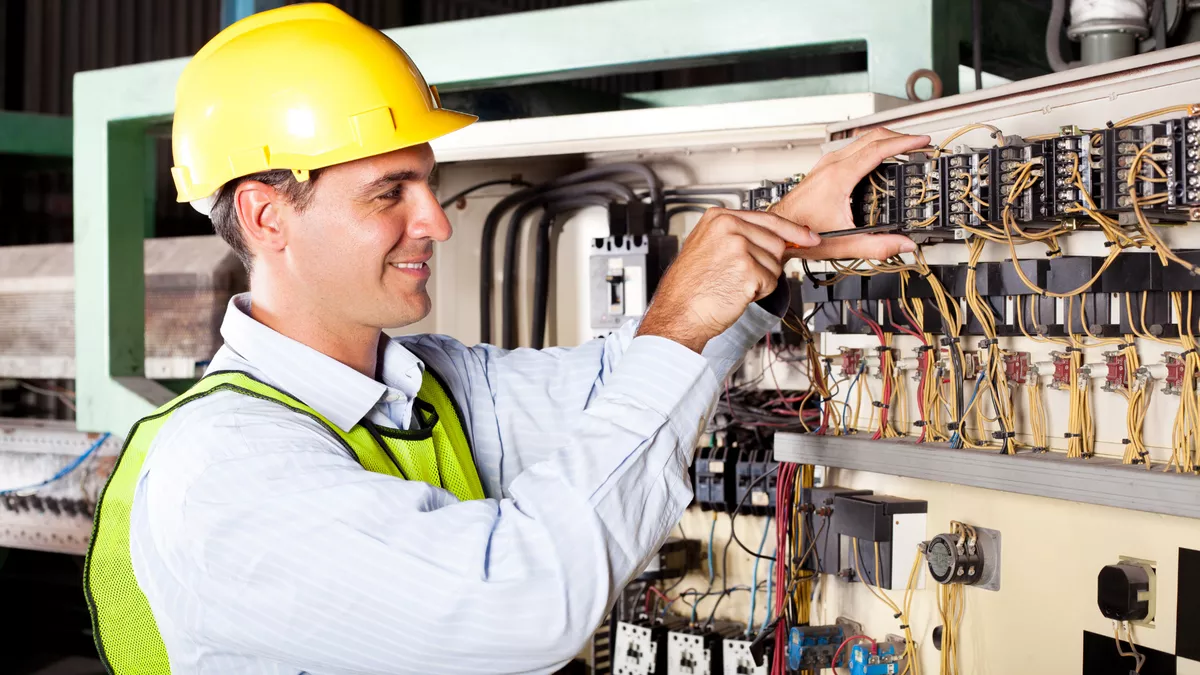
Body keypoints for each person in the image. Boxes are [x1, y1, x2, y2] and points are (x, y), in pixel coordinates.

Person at [83, 4, 928, 674]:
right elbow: (523, 605)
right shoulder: (225, 471)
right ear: (269, 216)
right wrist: (678, 319)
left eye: (430, 183)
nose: (436, 223)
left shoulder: (428, 382)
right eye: (390, 193)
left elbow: (616, 389)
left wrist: (767, 249)